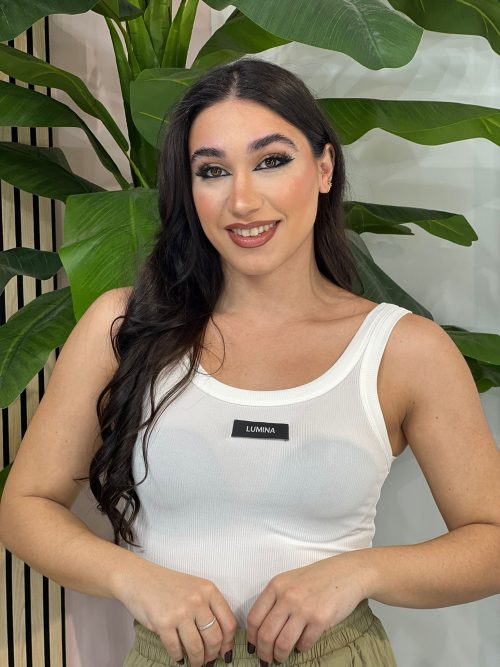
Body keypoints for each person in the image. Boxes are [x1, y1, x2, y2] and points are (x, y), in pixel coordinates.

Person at [1, 57, 499, 667]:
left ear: (324, 167)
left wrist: (358, 572)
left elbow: (492, 541)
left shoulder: (402, 348)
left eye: (271, 161)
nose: (242, 200)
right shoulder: (123, 326)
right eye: (212, 171)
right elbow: (26, 506)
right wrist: (134, 578)